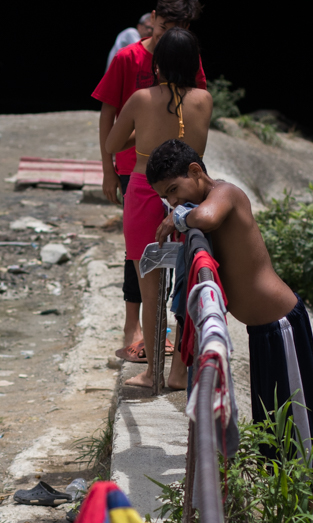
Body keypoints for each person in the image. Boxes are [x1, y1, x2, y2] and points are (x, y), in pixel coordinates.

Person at [146, 140, 313, 472]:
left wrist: (176, 218)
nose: (173, 201)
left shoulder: (226, 193)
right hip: (262, 333)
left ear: (195, 171)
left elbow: (206, 216)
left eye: (174, 190)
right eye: (167, 197)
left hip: (283, 327)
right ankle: (285, 515)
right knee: (272, 431)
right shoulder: (205, 197)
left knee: (304, 437)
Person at [92, 0, 206, 361]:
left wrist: (141, 136)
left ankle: (151, 362)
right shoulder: (204, 100)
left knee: (149, 278)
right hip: (189, 194)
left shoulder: (142, 98)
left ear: (157, 64)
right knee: (191, 273)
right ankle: (183, 363)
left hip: (144, 189)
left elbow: (112, 141)